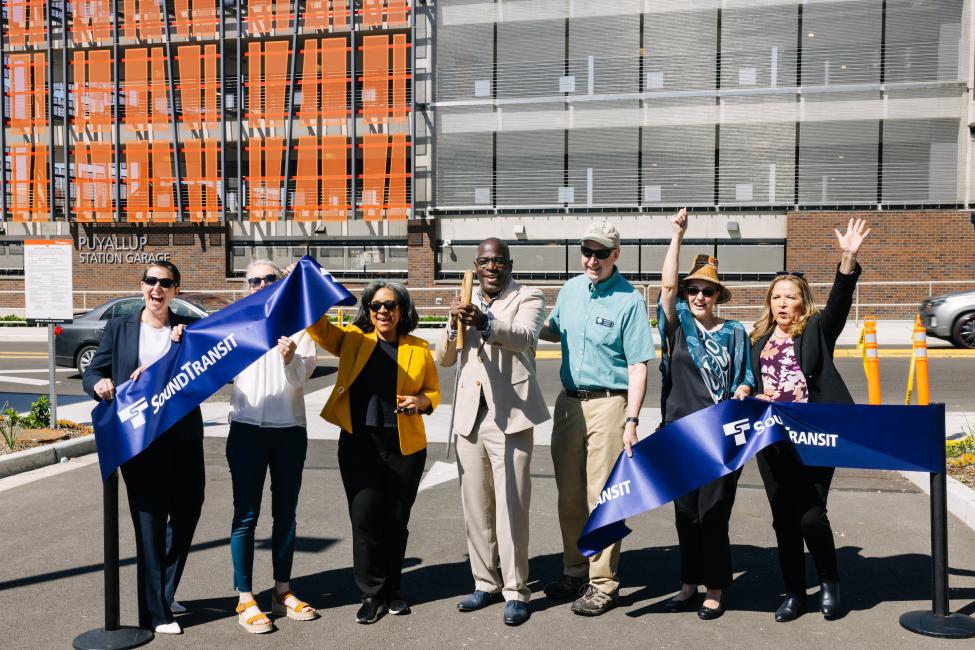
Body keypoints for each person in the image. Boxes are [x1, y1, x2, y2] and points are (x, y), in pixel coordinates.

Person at [749, 218, 870, 623]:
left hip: (815, 436)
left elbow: (839, 303)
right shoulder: (757, 340)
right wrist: (748, 392)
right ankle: (794, 592)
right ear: (769, 303)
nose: (783, 304)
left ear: (802, 302)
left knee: (811, 514)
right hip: (772, 440)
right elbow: (749, 381)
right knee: (783, 517)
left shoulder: (817, 330)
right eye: (776, 297)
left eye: (790, 297)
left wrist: (847, 258)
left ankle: (830, 580)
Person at [305, 281, 440, 624]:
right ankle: (370, 594)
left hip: (405, 447)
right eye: (376, 305)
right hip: (359, 444)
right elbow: (319, 329)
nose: (383, 311)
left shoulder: (419, 348)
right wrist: (306, 290)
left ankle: (393, 590)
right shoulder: (353, 339)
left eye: (391, 305)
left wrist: (422, 401)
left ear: (402, 310)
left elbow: (432, 392)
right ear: (367, 310)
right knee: (364, 520)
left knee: (396, 522)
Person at [539, 221, 656, 616]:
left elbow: (639, 365)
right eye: (587, 251)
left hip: (610, 404)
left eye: (601, 253)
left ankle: (603, 582)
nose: (592, 260)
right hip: (569, 403)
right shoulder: (571, 289)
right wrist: (512, 316)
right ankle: (575, 570)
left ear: (616, 255)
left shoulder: (630, 300)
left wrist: (633, 420)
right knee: (569, 495)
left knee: (600, 497)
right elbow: (553, 331)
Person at [82, 261, 204, 635]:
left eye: (165, 283)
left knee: (187, 512)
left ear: (176, 291)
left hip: (182, 436)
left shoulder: (187, 330)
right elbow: (94, 371)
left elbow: (207, 368)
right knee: (149, 524)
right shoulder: (120, 328)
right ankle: (155, 613)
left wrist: (185, 348)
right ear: (141, 287)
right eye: (151, 281)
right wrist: (99, 384)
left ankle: (161, 592)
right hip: (139, 441)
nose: (157, 288)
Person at [435, 238, 549, 627]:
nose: (491, 267)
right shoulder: (463, 294)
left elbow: (524, 338)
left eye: (498, 261)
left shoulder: (528, 296)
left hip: (511, 414)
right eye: (484, 261)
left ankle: (516, 590)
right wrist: (453, 326)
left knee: (511, 506)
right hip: (470, 417)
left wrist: (483, 321)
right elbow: (445, 358)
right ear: (476, 264)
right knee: (476, 506)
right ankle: (485, 582)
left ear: (508, 263)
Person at [657, 209, 754, 621]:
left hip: (720, 437)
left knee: (714, 514)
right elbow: (665, 285)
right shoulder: (678, 328)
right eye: (692, 289)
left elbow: (746, 376)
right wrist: (677, 236)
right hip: (680, 436)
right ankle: (688, 584)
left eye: (707, 291)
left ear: (718, 296)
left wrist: (744, 390)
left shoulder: (734, 332)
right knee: (685, 514)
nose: (699, 296)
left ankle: (715, 587)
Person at [226, 260, 319, 633]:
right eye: (254, 280)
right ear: (246, 286)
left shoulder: (300, 325)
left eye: (269, 278)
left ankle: (282, 591)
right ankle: (245, 596)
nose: (261, 284)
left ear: (280, 283)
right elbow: (208, 364)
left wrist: (290, 357)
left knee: (286, 515)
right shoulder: (235, 323)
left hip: (289, 430)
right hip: (246, 428)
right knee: (245, 516)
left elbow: (301, 378)